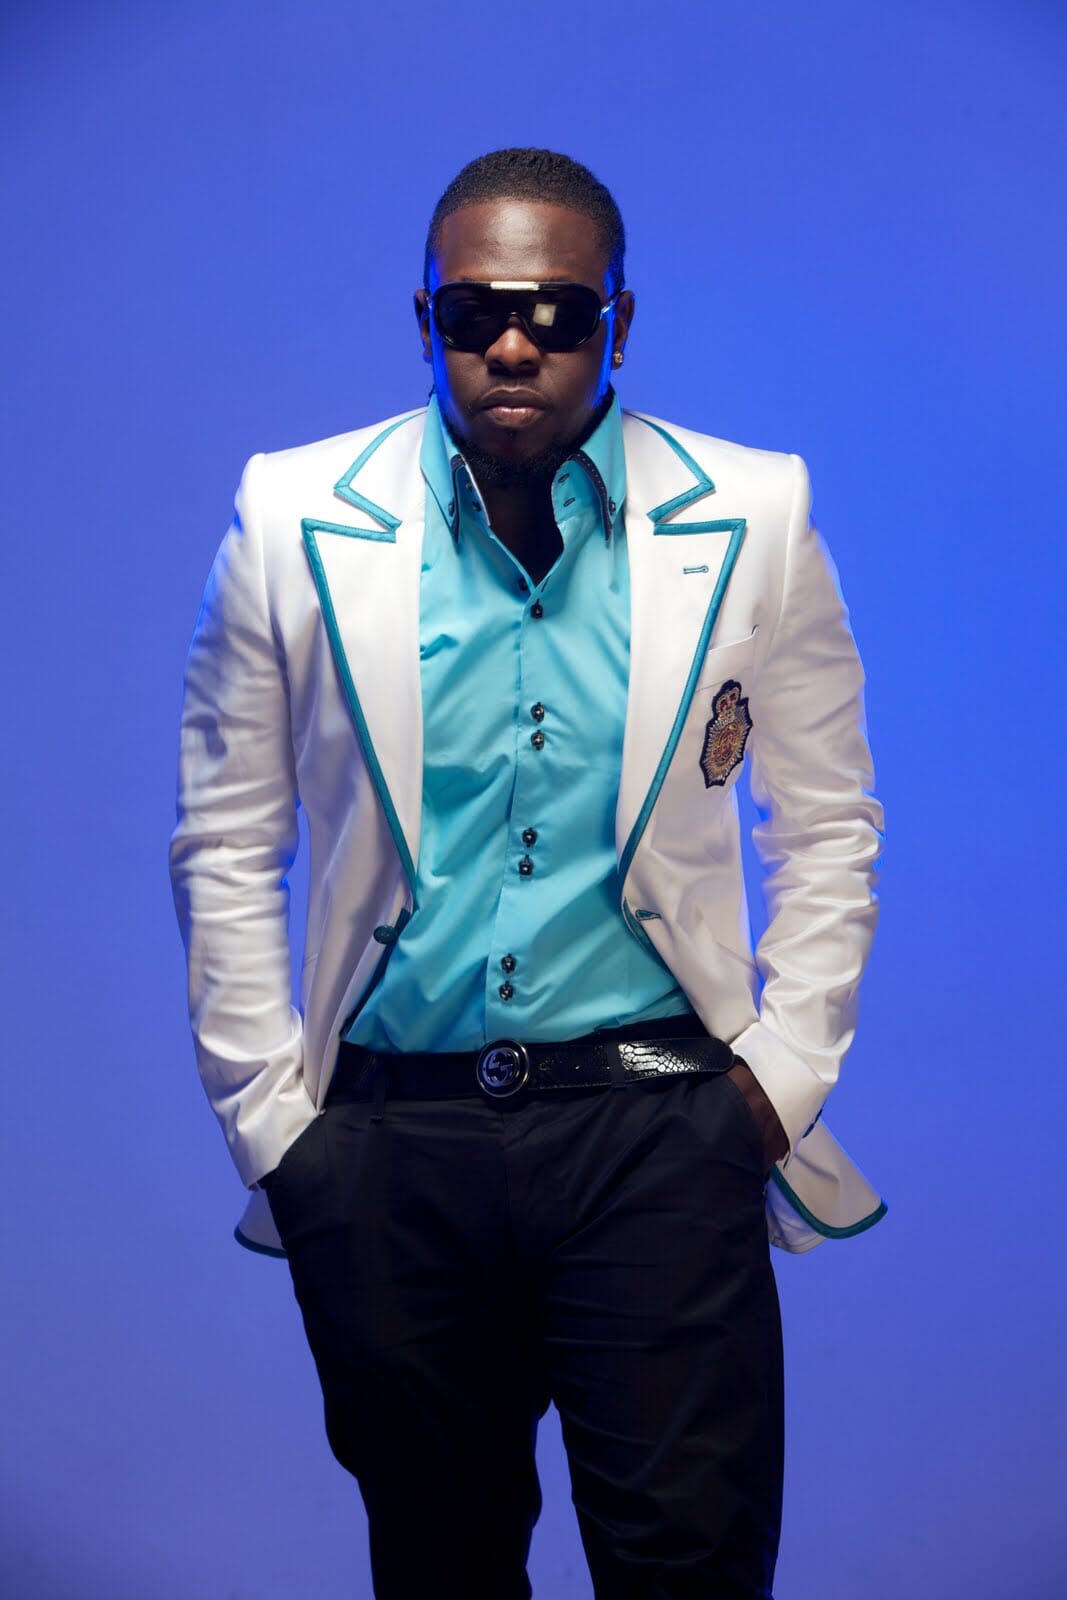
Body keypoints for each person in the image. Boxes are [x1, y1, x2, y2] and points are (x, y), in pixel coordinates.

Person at [170, 147, 885, 1600]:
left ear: (619, 322)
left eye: (556, 312)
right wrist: (277, 1129)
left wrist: (777, 1081)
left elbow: (828, 822)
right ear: (423, 317)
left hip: (660, 1133)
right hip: (389, 1152)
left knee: (689, 1568)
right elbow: (226, 837)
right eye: (474, 312)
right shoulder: (291, 514)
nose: (513, 344)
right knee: (439, 1569)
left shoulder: (755, 511)